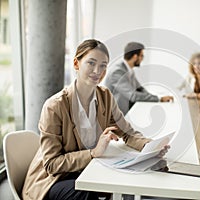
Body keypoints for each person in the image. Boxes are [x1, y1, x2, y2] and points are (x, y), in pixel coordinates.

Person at [22, 39, 169, 200]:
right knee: (85, 192)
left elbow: (127, 132)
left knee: (130, 178)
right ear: (77, 64)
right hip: (54, 180)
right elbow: (52, 165)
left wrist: (149, 146)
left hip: (85, 170)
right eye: (91, 63)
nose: (97, 71)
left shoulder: (105, 96)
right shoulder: (54, 106)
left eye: (103, 65)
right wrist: (93, 153)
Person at [104, 42, 174, 115]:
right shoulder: (117, 71)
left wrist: (157, 97)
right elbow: (133, 95)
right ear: (135, 56)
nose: (142, 59)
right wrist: (159, 98)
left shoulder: (128, 70)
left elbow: (140, 89)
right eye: (142, 56)